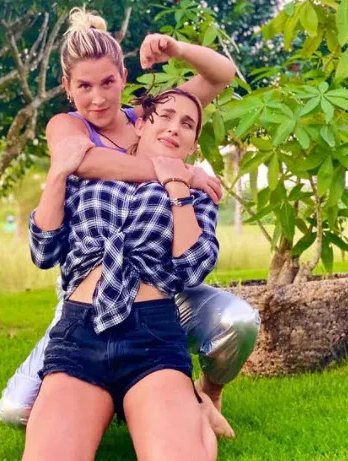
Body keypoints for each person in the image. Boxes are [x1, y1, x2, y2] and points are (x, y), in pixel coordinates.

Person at [0, 8, 260, 434]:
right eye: (84, 86)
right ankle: (143, 396)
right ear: (67, 87)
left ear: (123, 76)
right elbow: (86, 162)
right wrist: (179, 172)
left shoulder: (151, 116)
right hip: (88, 296)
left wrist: (176, 49)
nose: (98, 98)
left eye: (107, 82)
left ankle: (205, 395)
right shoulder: (67, 126)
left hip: (161, 285)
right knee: (16, 410)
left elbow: (221, 75)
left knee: (238, 322)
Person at [22, 88, 218, 461]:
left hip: (152, 337)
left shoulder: (198, 193)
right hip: (80, 333)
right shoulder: (89, 174)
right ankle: (189, 412)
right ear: (140, 125)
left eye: (187, 124)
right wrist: (58, 173)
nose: (173, 128)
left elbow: (192, 268)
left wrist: (176, 184)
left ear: (193, 144)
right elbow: (43, 252)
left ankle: (191, 413)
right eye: (164, 116)